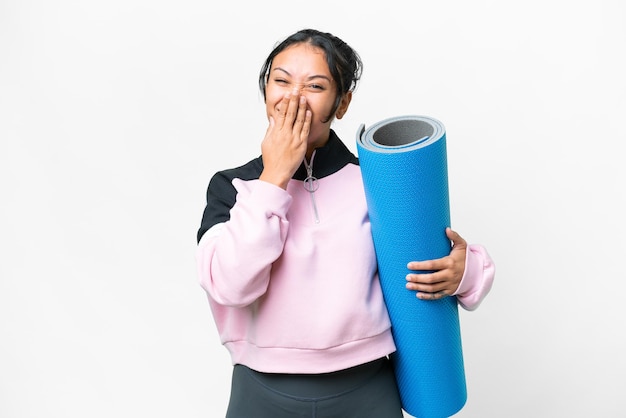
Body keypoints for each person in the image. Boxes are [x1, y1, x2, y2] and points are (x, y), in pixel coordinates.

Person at [196, 28, 495, 418]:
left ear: (342, 103)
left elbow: (435, 263)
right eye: (280, 81)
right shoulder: (232, 187)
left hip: (368, 390)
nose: (293, 98)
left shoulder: (376, 182)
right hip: (262, 391)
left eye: (315, 85)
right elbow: (230, 285)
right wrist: (274, 178)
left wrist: (465, 271)